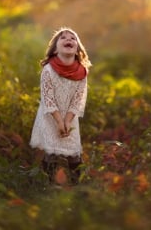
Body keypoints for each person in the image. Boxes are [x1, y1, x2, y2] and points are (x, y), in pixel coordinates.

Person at [30, 27, 91, 184]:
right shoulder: (48, 70)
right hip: (51, 115)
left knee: (74, 154)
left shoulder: (81, 72)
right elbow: (47, 98)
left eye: (73, 38)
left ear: (77, 49)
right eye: (63, 37)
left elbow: (78, 100)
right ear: (55, 49)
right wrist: (58, 121)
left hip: (70, 117)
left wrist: (67, 121)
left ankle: (78, 187)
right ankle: (49, 186)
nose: (69, 39)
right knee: (52, 153)